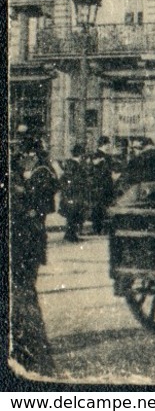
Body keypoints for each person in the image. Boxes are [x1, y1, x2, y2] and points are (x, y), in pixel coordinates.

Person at [10, 130, 58, 375]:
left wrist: (28, 207)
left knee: (24, 291)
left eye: (25, 150)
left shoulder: (42, 172)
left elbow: (42, 204)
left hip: (27, 239)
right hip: (26, 239)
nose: (21, 155)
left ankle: (35, 354)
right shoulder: (26, 170)